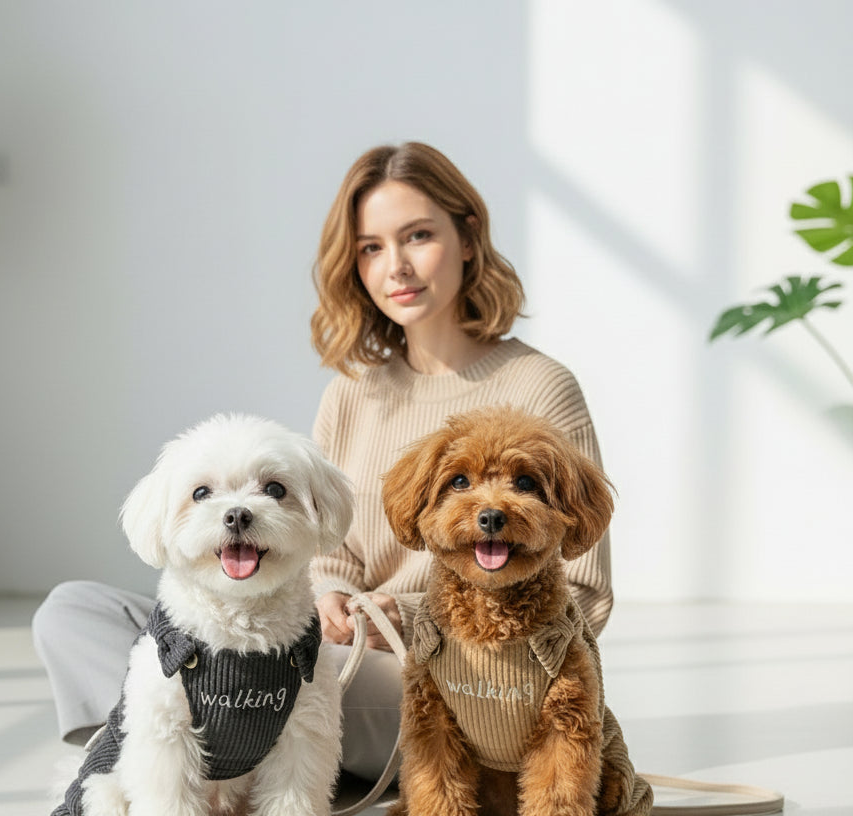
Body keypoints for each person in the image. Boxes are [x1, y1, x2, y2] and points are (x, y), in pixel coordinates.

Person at [33, 141, 611, 783]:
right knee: (77, 611)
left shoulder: (539, 387)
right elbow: (323, 540)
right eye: (371, 247)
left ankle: (183, 759)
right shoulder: (353, 391)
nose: (397, 266)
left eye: (418, 236)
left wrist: (409, 616)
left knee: (267, 671)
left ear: (469, 237)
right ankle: (165, 758)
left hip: (445, 675)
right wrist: (331, 592)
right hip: (321, 639)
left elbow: (583, 593)